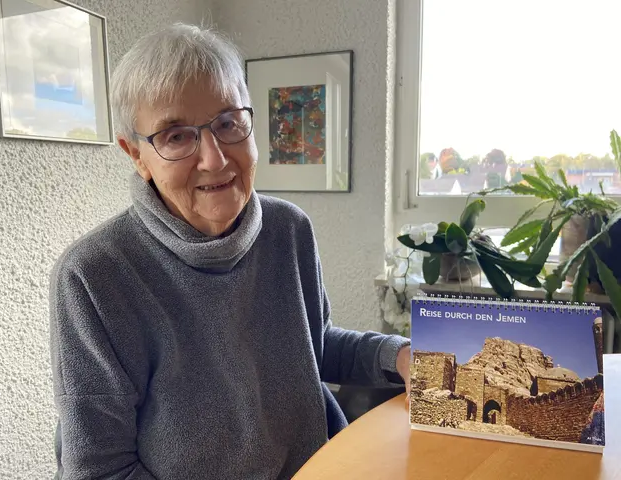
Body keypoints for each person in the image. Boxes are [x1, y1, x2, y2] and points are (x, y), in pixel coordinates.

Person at [49, 23, 411, 480]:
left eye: (227, 123)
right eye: (176, 136)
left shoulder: (288, 229)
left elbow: (311, 347)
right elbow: (99, 470)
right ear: (136, 154)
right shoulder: (93, 276)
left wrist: (399, 356)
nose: (215, 159)